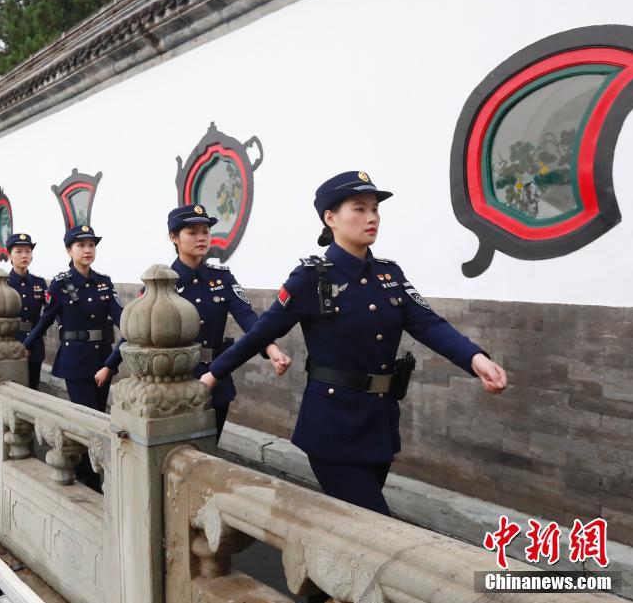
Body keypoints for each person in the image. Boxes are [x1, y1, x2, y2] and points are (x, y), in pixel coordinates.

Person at [201, 170, 507, 520]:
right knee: (375, 527)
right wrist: (212, 375)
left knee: (353, 527)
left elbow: (429, 323)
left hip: (379, 425)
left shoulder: (389, 275)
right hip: (332, 427)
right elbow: (259, 333)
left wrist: (475, 359)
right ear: (330, 218)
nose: (372, 217)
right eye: (359, 209)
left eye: (375, 209)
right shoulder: (311, 278)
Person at [98, 204, 290, 440]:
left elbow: (247, 316)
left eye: (205, 231)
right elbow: (138, 330)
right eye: (192, 232)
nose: (201, 237)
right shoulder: (162, 282)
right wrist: (110, 364)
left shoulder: (222, 278)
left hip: (216, 379)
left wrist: (271, 349)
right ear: (173, 237)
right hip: (174, 382)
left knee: (209, 448)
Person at [24, 225, 123, 414]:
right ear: (69, 250)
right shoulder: (60, 285)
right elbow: (45, 320)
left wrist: (111, 364)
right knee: (89, 416)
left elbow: (122, 319)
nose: (88, 250)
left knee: (101, 414)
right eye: (81, 245)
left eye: (92, 245)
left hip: (103, 359)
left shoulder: (104, 283)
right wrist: (26, 346)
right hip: (75, 360)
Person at [4, 234, 48, 389]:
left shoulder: (39, 283)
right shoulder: (3, 283)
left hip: (34, 343)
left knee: (32, 386)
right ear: (9, 255)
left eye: (28, 251)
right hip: (9, 341)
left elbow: (50, 311)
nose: (24, 255)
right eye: (19, 251)